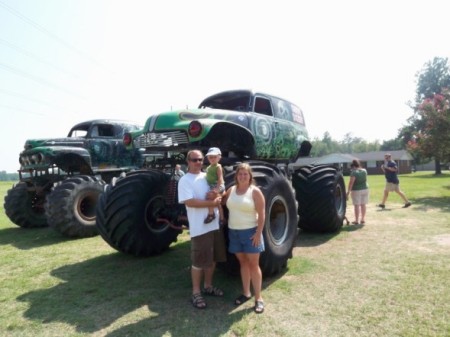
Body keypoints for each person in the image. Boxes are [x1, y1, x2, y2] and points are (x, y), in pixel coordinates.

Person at [177, 149, 226, 309]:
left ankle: (208, 286)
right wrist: (211, 204)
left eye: (200, 160)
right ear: (188, 162)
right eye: (194, 160)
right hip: (200, 227)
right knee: (198, 262)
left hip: (214, 225)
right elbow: (190, 202)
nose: (198, 162)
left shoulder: (207, 176)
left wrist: (218, 197)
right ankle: (196, 292)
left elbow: (219, 192)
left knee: (212, 259)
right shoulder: (185, 180)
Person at [223, 163, 266, 314]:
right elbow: (222, 200)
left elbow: (262, 214)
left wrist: (258, 233)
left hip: (251, 233)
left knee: (254, 264)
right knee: (243, 262)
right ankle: (246, 293)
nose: (242, 176)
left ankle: (258, 298)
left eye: (245, 174)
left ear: (249, 176)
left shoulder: (255, 192)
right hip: (234, 232)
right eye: (240, 174)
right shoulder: (231, 190)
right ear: (236, 176)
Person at [204, 147, 225, 225]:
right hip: (212, 186)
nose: (212, 159)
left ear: (219, 157)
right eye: (210, 157)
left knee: (210, 198)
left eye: (215, 157)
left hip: (217, 185)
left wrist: (217, 189)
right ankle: (222, 218)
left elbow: (220, 178)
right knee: (217, 203)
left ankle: (211, 214)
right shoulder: (208, 168)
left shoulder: (218, 166)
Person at [346, 159, 369, 225]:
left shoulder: (354, 172)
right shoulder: (364, 170)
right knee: (363, 204)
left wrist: (348, 192)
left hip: (356, 190)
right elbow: (365, 180)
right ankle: (362, 219)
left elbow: (351, 183)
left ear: (353, 166)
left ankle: (356, 220)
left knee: (356, 205)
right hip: (365, 189)